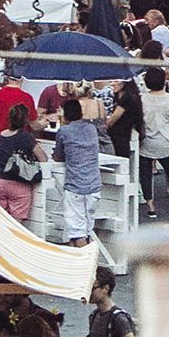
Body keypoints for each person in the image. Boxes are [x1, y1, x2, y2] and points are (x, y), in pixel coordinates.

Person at [51, 91, 103, 244]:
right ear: (81, 113)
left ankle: (85, 266)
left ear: (65, 115)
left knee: (77, 232)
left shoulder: (64, 131)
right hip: (94, 185)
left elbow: (58, 156)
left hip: (75, 186)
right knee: (87, 230)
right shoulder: (91, 129)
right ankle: (89, 263)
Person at [0, 102, 44, 221]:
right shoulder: (25, 137)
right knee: (16, 224)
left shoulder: (2, 135)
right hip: (19, 185)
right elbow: (43, 158)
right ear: (26, 120)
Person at [138, 65, 169, 218]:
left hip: (146, 140)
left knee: (145, 173)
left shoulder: (141, 98)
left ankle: (150, 204)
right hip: (165, 140)